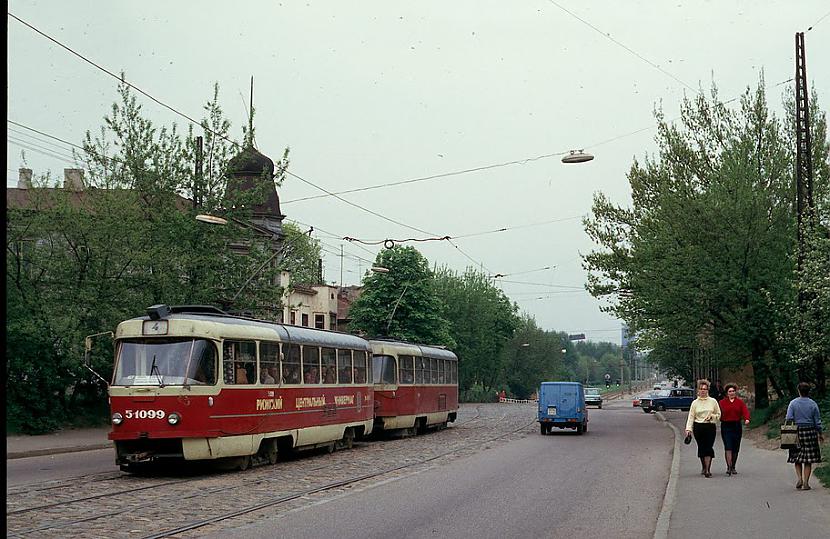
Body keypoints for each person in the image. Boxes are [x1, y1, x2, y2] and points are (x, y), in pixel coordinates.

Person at [786, 382, 824, 491]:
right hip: (810, 432)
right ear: (808, 391)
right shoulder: (813, 404)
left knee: (796, 457)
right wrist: (820, 433)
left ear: (798, 391)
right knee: (808, 458)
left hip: (796, 431)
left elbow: (788, 418)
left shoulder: (793, 403)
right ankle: (806, 482)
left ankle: (799, 479)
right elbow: (817, 422)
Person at [684, 379, 721, 478]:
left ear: (708, 390)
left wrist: (712, 417)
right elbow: (691, 417)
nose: (703, 391)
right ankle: (704, 466)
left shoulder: (713, 401)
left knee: (708, 447)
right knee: (701, 447)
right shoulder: (695, 403)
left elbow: (718, 414)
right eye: (701, 389)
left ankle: (708, 470)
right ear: (698, 391)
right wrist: (688, 429)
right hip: (698, 426)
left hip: (709, 426)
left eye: (705, 389)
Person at [718, 383, 750, 475]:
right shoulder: (722, 403)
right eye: (730, 391)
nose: (731, 393)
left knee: (735, 447)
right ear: (727, 393)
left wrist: (747, 419)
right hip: (726, 426)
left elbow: (745, 411)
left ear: (735, 392)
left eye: (733, 391)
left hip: (736, 425)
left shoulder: (740, 402)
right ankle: (728, 466)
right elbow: (717, 413)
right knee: (728, 446)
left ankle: (733, 466)